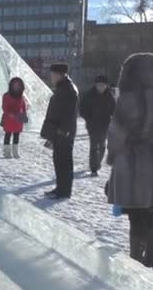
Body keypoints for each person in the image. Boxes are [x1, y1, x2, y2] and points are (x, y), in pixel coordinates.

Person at [106, 53, 153, 271]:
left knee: (135, 211)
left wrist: (112, 156)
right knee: (149, 209)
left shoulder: (128, 99)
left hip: (133, 159)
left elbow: (116, 133)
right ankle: (152, 256)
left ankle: (136, 256)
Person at [40, 63, 79, 200]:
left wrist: (63, 132)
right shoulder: (63, 87)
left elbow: (68, 114)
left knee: (64, 163)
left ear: (59, 74)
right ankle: (60, 188)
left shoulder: (68, 90)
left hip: (63, 133)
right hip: (58, 132)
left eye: (52, 74)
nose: (51, 77)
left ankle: (64, 191)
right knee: (59, 162)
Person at [80, 75, 116, 177]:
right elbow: (82, 109)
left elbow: (114, 109)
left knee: (102, 145)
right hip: (92, 125)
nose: (101, 87)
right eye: (99, 85)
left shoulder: (110, 96)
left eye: (103, 85)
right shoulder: (89, 95)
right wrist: (88, 118)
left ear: (106, 85)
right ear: (95, 85)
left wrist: (113, 118)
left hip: (105, 124)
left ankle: (98, 162)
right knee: (94, 146)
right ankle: (94, 168)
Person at [1, 77, 28, 159]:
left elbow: (23, 106)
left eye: (18, 85)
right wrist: (10, 114)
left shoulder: (21, 96)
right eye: (14, 85)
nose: (16, 87)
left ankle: (15, 152)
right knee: (8, 134)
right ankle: (7, 152)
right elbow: (4, 107)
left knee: (16, 135)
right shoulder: (6, 95)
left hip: (18, 119)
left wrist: (24, 115)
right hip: (9, 119)